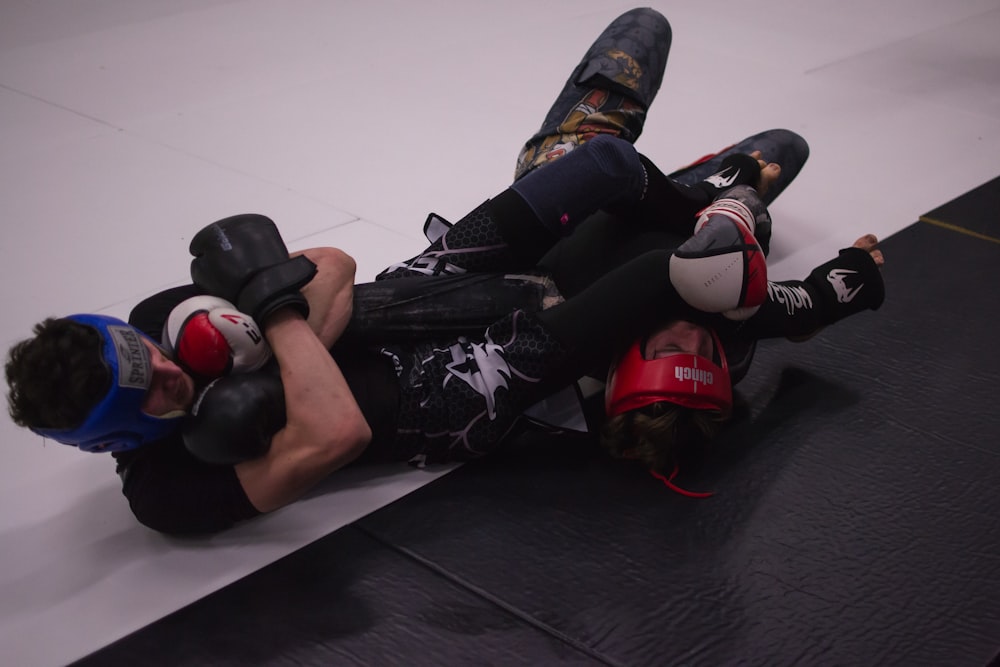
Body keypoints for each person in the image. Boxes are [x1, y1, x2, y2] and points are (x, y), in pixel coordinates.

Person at [4, 8, 885, 534]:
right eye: (154, 388)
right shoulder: (165, 490)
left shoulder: (165, 315)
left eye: (144, 349)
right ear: (121, 437)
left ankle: (685, 197)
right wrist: (273, 325)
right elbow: (338, 435)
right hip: (460, 390)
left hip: (422, 282)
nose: (166, 362)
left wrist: (280, 318)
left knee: (611, 171)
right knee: (671, 273)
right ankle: (792, 294)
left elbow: (339, 266)